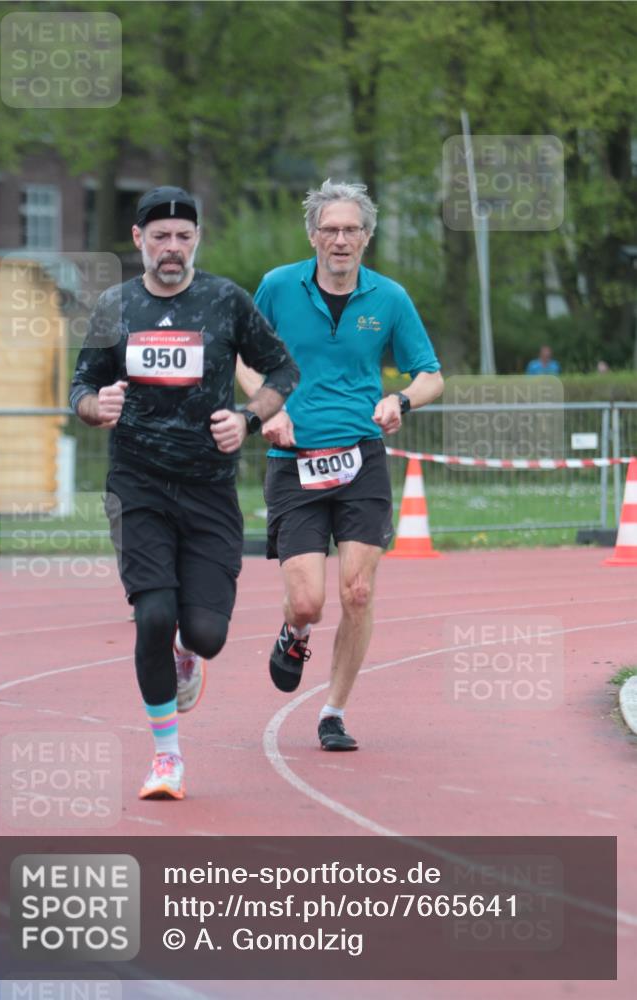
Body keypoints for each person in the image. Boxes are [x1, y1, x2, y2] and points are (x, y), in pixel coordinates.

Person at [70, 186, 299, 800]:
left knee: (205, 633)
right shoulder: (114, 307)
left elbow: (283, 372)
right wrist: (99, 406)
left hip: (209, 489)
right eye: (161, 236)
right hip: (137, 483)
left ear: (196, 239)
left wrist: (248, 418)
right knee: (153, 616)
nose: (172, 248)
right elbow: (81, 390)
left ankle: (188, 655)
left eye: (184, 236)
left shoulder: (225, 301)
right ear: (139, 240)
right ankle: (166, 757)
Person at [237, 179, 443, 752]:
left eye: (352, 229)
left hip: (361, 459)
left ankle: (332, 712)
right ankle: (295, 631)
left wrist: (400, 400)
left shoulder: (390, 299)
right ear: (313, 235)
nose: (341, 239)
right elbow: (241, 356)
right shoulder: (279, 287)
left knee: (357, 592)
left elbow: (431, 374)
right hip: (293, 459)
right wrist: (266, 410)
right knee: (309, 600)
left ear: (367, 237)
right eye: (330, 229)